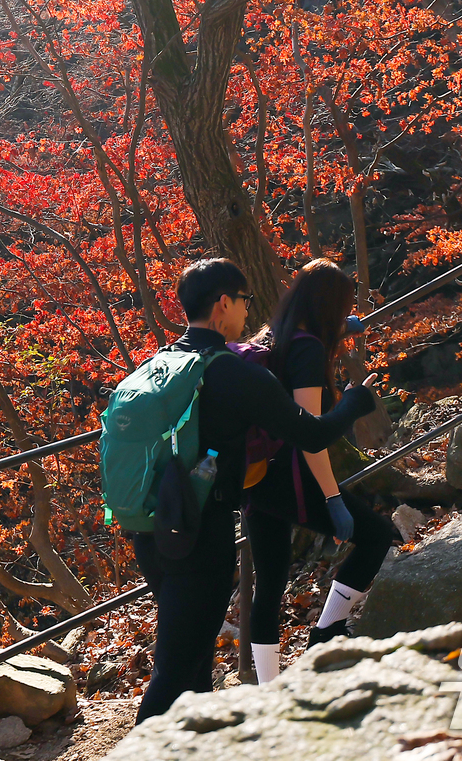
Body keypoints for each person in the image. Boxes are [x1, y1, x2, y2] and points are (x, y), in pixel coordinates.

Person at [127, 258, 380, 723]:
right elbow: (311, 434)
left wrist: (336, 329)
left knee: (195, 665)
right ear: (223, 304)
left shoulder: (164, 363)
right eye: (243, 301)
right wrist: (352, 404)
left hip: (150, 527)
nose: (248, 310)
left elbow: (266, 343)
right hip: (199, 536)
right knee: (176, 673)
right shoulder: (229, 371)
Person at [243, 259, 398, 684]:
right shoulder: (309, 349)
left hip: (255, 476)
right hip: (292, 476)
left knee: (270, 583)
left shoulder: (275, 335)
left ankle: (268, 688)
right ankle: (327, 631)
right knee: (377, 535)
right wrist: (332, 499)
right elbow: (309, 434)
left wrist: (341, 328)